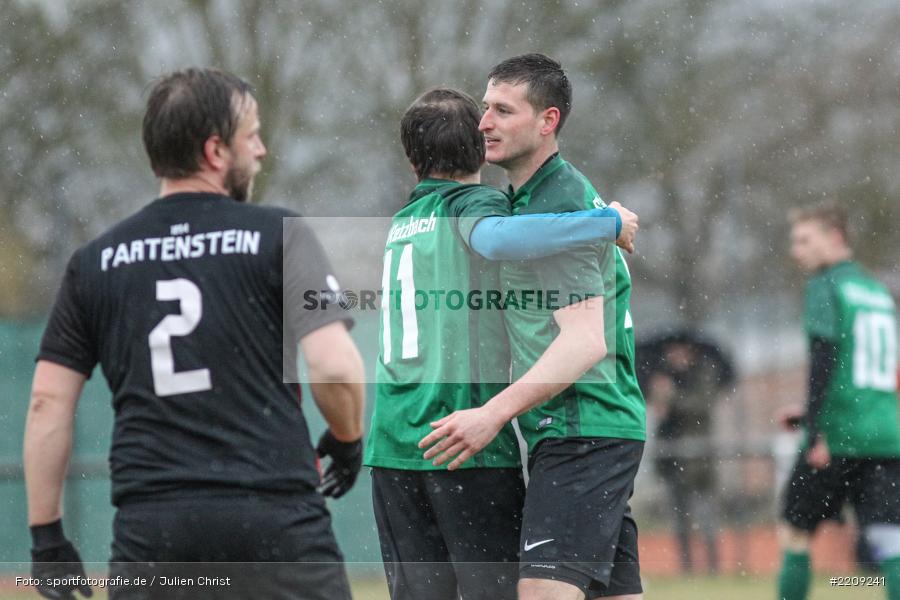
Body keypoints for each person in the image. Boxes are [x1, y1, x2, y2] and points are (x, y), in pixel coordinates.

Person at [23, 67, 365, 600]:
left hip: (153, 536)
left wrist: (47, 538)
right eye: (251, 135)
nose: (263, 151)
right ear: (215, 152)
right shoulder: (281, 235)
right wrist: (347, 440)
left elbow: (46, 403)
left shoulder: (92, 264)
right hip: (275, 526)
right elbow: (336, 365)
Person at [366, 87, 641, 600]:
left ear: (411, 160)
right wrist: (607, 221)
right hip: (461, 441)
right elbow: (499, 239)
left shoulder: (403, 222)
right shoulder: (481, 204)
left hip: (392, 447)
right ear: (479, 146)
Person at [775, 200, 900, 600]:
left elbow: (824, 360)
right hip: (885, 435)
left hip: (837, 435)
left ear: (835, 238)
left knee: (795, 533)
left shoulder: (826, 286)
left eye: (805, 240)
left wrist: (815, 430)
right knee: (890, 542)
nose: (797, 251)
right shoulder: (876, 290)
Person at [645, 337, 731, 574]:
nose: (674, 356)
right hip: (671, 459)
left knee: (706, 518)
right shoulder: (662, 377)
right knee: (679, 519)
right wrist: (660, 396)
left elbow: (701, 406)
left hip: (699, 460)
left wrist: (673, 396)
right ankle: (687, 568)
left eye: (678, 350)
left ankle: (713, 569)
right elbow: (659, 414)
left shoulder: (704, 373)